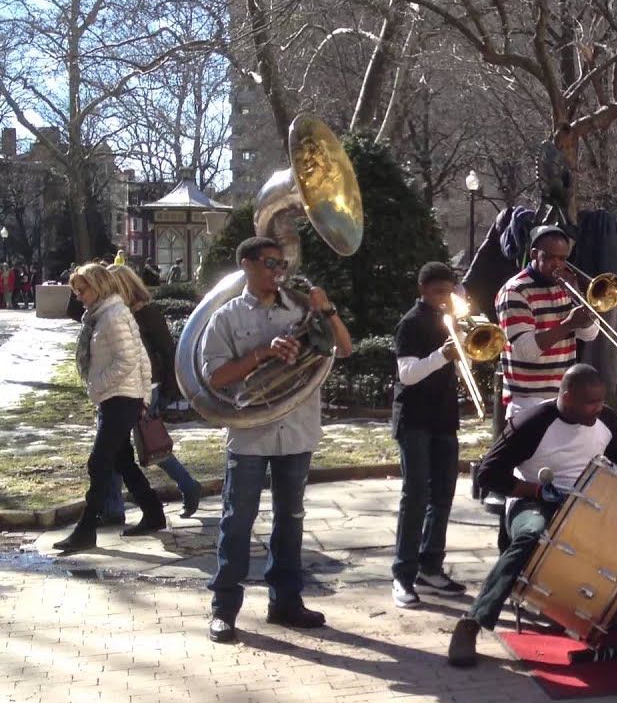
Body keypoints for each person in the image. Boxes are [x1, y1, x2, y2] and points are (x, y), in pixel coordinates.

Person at [201, 236, 353, 644]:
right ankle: (224, 610)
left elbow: (344, 348)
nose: (278, 271)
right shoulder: (226, 317)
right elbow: (215, 377)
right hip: (251, 432)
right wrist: (263, 354)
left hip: (298, 428)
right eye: (270, 263)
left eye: (282, 264)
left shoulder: (303, 308)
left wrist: (326, 309)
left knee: (291, 520)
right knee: (237, 521)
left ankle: (285, 603)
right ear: (247, 265)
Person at [446, 364, 617, 667]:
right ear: (568, 396)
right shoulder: (531, 423)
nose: (598, 408)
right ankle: (472, 622)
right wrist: (536, 491)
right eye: (591, 402)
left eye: (601, 400)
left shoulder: (605, 419)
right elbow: (488, 475)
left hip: (587, 504)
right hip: (532, 501)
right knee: (533, 533)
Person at [51, 265, 166, 553]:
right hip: (119, 397)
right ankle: (153, 512)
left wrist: (98, 385)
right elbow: (139, 356)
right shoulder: (105, 314)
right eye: (76, 290)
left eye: (82, 289)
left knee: (99, 462)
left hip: (120, 397)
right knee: (121, 460)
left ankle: (86, 529)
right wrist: (142, 394)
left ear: (99, 286)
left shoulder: (113, 316)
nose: (79, 296)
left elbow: (128, 360)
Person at [98, 265, 204, 520]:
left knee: (150, 445)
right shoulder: (111, 314)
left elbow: (168, 352)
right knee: (114, 448)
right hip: (116, 389)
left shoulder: (146, 314)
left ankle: (187, 485)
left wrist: (169, 391)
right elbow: (73, 311)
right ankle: (113, 508)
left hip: (145, 389)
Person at [390, 262, 465, 608]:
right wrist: (442, 354)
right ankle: (403, 575)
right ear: (422, 290)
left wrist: (463, 348)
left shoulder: (450, 320)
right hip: (415, 418)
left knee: (443, 496)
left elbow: (462, 365)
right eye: (438, 292)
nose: (444, 298)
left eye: (448, 291)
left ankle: (431, 567)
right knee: (416, 496)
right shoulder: (410, 323)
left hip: (444, 416)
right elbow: (407, 374)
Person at [496, 225, 598, 421]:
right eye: (550, 257)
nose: (557, 264)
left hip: (565, 395)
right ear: (534, 254)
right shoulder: (515, 291)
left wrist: (581, 302)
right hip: (527, 400)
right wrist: (568, 324)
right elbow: (526, 351)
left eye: (562, 258)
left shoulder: (565, 285)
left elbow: (589, 335)